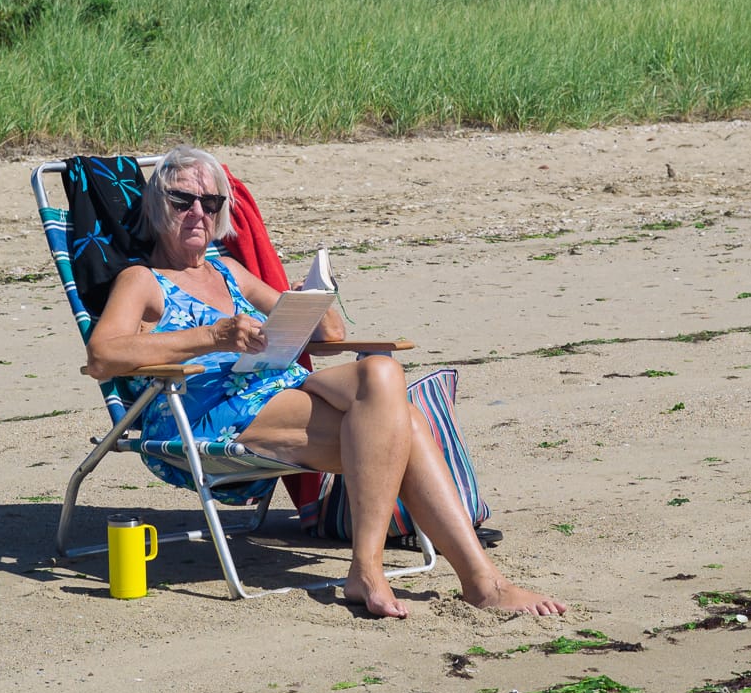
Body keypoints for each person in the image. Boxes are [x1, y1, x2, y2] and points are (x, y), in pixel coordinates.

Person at [84, 146, 567, 619]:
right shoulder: (143, 280)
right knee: (409, 423)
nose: (198, 213)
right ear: (156, 206)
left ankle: (429, 576)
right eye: (182, 201)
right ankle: (460, 580)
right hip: (208, 414)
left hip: (278, 389)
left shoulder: (227, 270)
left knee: (383, 374)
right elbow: (104, 355)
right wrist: (215, 335)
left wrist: (312, 298)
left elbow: (330, 334)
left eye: (210, 203)